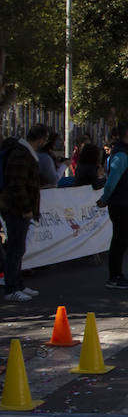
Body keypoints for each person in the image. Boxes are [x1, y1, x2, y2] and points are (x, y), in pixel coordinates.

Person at [0, 124, 46, 302]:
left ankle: (17, 283)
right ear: (41, 139)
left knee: (18, 248)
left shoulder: (24, 153)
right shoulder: (21, 154)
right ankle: (11, 287)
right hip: (16, 209)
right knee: (15, 248)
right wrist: (26, 208)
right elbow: (17, 184)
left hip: (19, 208)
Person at [96, 121, 128, 288]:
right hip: (120, 202)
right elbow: (112, 179)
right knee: (119, 240)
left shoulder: (127, 153)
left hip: (126, 201)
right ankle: (114, 276)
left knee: (123, 239)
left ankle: (117, 274)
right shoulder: (121, 155)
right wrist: (105, 198)